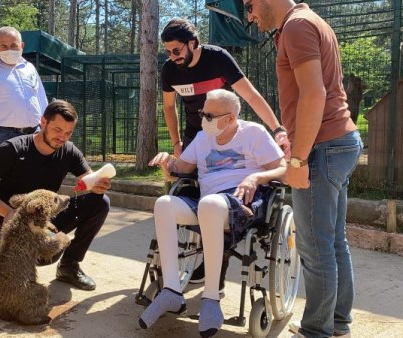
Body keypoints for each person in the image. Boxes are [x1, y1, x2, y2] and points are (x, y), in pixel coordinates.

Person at [246, 1, 363, 337]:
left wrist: (297, 160)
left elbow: (314, 94)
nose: (250, 16)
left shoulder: (296, 27)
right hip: (340, 142)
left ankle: (317, 331)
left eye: (249, 5)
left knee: (315, 247)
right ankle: (337, 322)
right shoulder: (309, 22)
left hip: (321, 148)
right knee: (333, 241)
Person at [139, 89, 286, 337]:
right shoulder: (202, 138)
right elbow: (180, 169)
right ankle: (172, 291)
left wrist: (256, 176)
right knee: (164, 203)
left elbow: (282, 169)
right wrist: (167, 164)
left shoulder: (253, 133)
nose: (203, 118)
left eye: (209, 115)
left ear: (230, 118)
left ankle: (210, 298)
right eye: (202, 113)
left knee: (210, 205)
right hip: (208, 201)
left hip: (243, 202)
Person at [160, 16, 290, 286]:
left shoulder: (217, 58)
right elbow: (169, 108)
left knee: (219, 201)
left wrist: (277, 129)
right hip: (197, 136)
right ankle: (191, 262)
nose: (172, 57)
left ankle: (214, 265)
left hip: (227, 130)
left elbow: (251, 95)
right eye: (167, 51)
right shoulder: (170, 70)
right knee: (188, 191)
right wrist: (176, 144)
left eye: (176, 50)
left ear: (192, 43)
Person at [0, 99, 110, 291]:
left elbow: (89, 180)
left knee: (101, 202)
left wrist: (98, 184)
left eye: (68, 133)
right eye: (58, 130)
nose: (62, 137)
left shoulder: (68, 151)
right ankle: (9, 257)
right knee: (45, 255)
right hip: (12, 223)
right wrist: (9, 213)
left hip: (47, 219)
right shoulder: (12, 149)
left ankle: (69, 266)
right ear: (43, 122)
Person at [0, 26, 48, 161]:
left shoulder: (30, 68)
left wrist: (46, 128)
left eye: (13, 45)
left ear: (22, 46)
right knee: (6, 179)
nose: (9, 49)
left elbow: (41, 98)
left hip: (36, 133)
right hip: (5, 136)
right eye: (4, 46)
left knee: (35, 177)